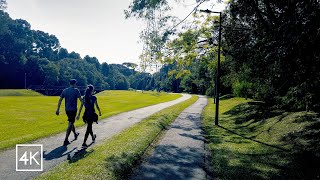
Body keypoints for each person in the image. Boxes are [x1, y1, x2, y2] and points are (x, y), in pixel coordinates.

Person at [56, 79, 83, 146]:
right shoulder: (76, 90)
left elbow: (60, 100)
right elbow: (81, 100)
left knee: (71, 122)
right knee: (71, 123)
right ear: (75, 83)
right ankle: (66, 139)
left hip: (67, 110)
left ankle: (75, 134)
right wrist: (86, 105)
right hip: (73, 110)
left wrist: (58, 109)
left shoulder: (65, 90)